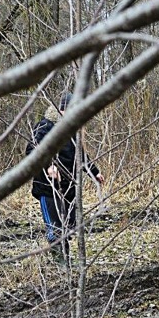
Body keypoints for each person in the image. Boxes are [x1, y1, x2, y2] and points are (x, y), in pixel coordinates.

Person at [25, 93, 105, 263]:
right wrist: (48, 166)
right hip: (48, 189)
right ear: (63, 109)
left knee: (68, 228)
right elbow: (32, 150)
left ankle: (66, 261)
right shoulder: (45, 126)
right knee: (55, 230)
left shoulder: (72, 131)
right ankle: (61, 267)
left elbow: (80, 156)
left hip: (69, 188)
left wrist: (94, 172)